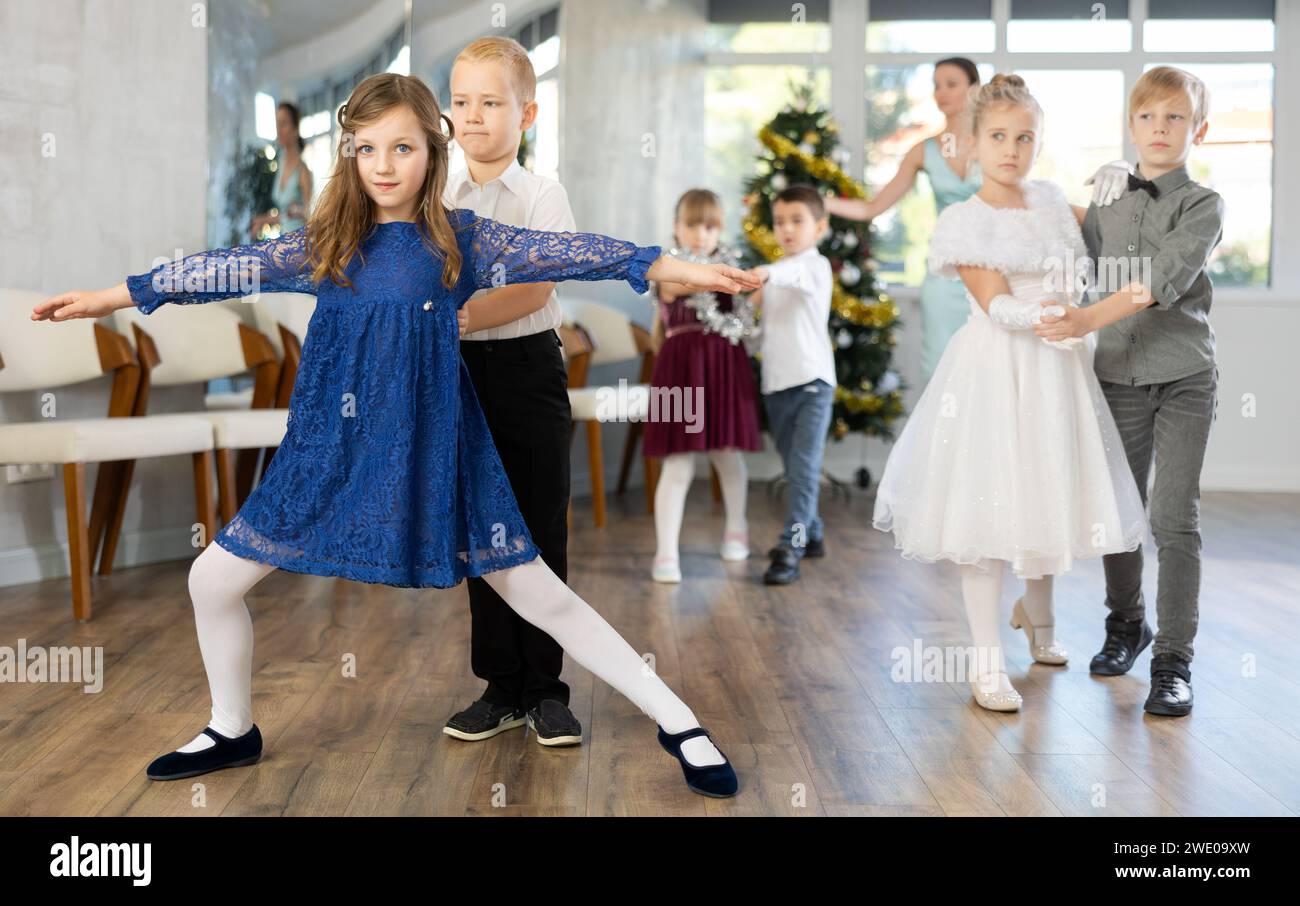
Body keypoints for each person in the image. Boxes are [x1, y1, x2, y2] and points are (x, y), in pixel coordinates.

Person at [31, 72, 759, 798]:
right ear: (349, 153)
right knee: (210, 579)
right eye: (367, 148)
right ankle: (232, 727)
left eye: (403, 147)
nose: (383, 165)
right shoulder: (325, 244)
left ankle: (680, 723)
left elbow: (581, 253)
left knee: (539, 593)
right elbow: (223, 267)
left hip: (435, 447)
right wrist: (109, 297)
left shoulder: (462, 243)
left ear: (432, 153)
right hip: (326, 450)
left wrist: (684, 269)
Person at [870, 74, 1149, 711]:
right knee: (988, 508)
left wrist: (1125, 182)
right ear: (969, 143)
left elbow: (1128, 239)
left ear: (1039, 142)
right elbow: (995, 303)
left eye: (1025, 137)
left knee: (1045, 492)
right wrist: (1052, 316)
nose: (1011, 149)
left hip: (1056, 369)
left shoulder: (1054, 203)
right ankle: (986, 661)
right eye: (997, 136)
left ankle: (1040, 621)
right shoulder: (964, 219)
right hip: (998, 366)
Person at [1033, 66, 1224, 717]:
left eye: (1175, 118)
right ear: (1131, 125)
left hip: (1183, 377)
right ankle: (1126, 626)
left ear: (1198, 129)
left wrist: (1085, 320)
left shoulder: (1203, 205)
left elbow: (1159, 279)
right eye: (1148, 118)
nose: (1160, 129)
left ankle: (1174, 660)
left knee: (1173, 517)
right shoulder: (1110, 196)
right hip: (1115, 375)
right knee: (1118, 513)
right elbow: (1071, 254)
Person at [439, 36, 582, 748]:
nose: (473, 116)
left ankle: (546, 689)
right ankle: (498, 687)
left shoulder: (540, 194)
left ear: (526, 113)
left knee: (538, 522)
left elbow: (537, 285)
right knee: (480, 532)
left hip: (527, 370)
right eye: (461, 101)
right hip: (458, 375)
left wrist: (457, 314)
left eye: (490, 103)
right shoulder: (435, 192)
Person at [824, 58, 982, 381]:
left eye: (951, 84)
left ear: (974, 89)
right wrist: (820, 202)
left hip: (993, 274)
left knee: (989, 372)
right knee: (942, 371)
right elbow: (871, 209)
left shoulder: (996, 143)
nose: (941, 93)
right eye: (936, 85)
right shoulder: (923, 151)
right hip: (944, 276)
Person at [646, 189, 762, 584]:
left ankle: (736, 528)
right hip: (679, 369)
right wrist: (725, 279)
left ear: (720, 230)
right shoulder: (669, 269)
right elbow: (674, 289)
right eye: (692, 225)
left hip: (722, 367)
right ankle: (665, 551)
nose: (700, 234)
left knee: (726, 453)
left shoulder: (729, 267)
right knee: (677, 464)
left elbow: (748, 307)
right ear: (677, 228)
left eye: (710, 226)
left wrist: (755, 284)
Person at [746, 185, 835, 586]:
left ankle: (791, 547)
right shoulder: (775, 279)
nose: (787, 229)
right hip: (777, 385)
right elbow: (758, 339)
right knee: (795, 465)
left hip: (813, 383)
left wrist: (765, 273)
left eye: (797, 220)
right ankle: (812, 533)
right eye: (780, 221)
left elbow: (793, 272)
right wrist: (752, 308)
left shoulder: (813, 268)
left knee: (802, 467)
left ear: (819, 227)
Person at [250, 101, 313, 239]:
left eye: (283, 124)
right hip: (284, 243)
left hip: (301, 246)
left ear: (295, 129)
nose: (279, 130)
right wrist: (262, 220)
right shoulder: (281, 165)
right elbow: (286, 216)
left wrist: (300, 211)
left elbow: (311, 217)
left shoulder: (303, 172)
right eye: (277, 124)